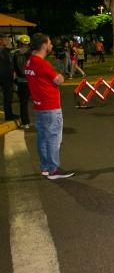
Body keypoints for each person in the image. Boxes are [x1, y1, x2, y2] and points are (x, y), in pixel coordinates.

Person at [25, 33, 74, 179]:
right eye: (50, 42)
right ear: (44, 45)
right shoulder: (41, 63)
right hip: (50, 105)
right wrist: (61, 76)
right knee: (53, 137)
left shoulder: (29, 61)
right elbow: (58, 80)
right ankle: (54, 169)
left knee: (43, 137)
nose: (51, 45)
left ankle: (45, 167)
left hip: (39, 106)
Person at [12, 34, 31, 129]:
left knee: (23, 103)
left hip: (21, 81)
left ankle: (25, 122)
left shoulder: (14, 53)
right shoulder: (32, 53)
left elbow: (14, 68)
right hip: (31, 80)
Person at [0, 34, 16, 122]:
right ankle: (9, 115)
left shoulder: (5, 50)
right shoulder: (3, 50)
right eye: (5, 39)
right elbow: (8, 62)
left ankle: (9, 114)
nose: (8, 41)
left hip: (5, 75)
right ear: (1, 41)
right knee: (8, 96)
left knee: (8, 96)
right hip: (5, 76)